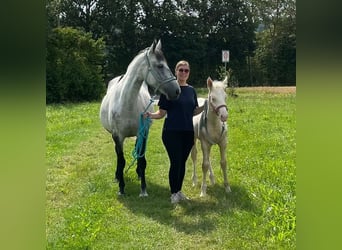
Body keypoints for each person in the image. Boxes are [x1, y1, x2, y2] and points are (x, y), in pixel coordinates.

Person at [145, 60, 204, 204]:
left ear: (189, 73)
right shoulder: (169, 89)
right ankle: (173, 193)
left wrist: (207, 106)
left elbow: (193, 111)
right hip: (171, 132)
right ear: (175, 72)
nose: (183, 73)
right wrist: (150, 115)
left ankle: (178, 191)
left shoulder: (191, 90)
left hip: (188, 133)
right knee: (176, 162)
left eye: (186, 71)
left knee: (182, 163)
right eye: (181, 70)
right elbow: (161, 112)